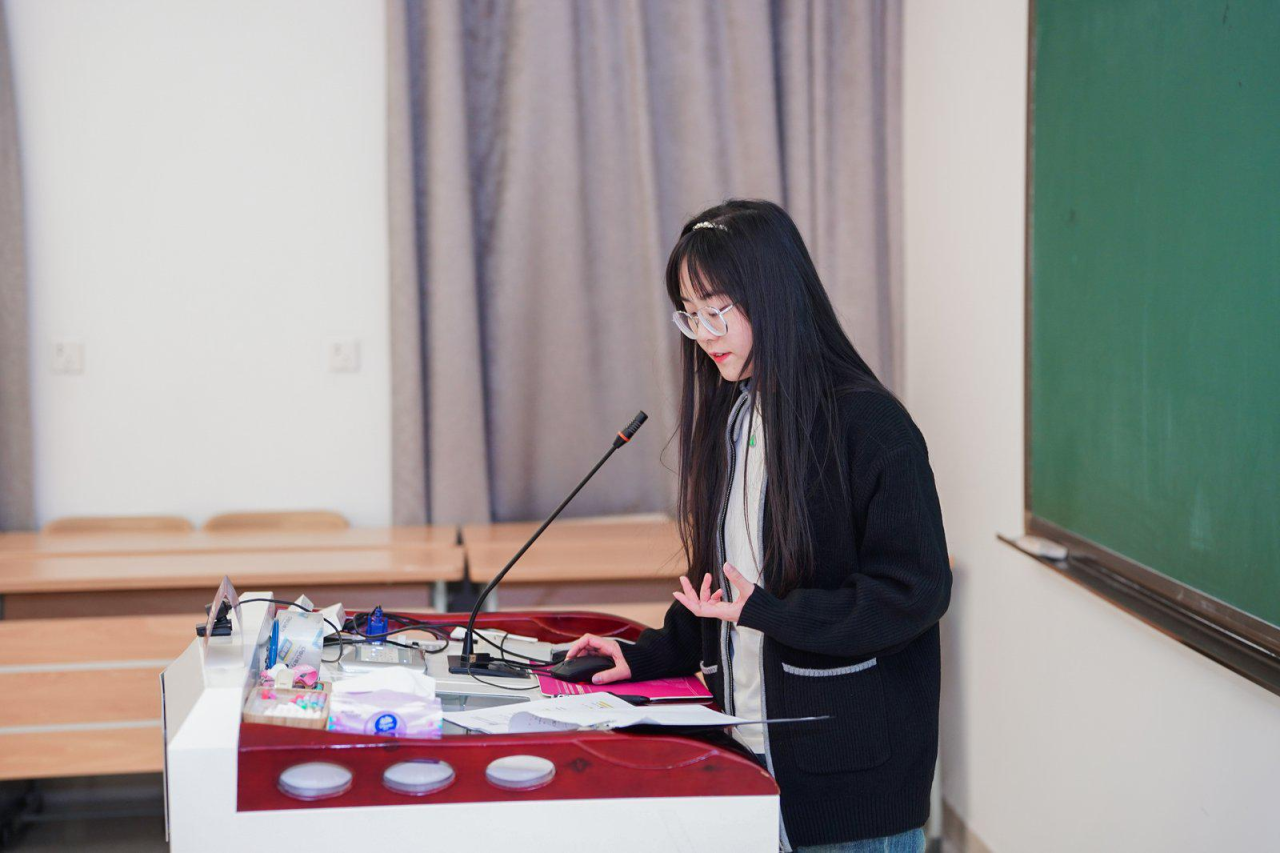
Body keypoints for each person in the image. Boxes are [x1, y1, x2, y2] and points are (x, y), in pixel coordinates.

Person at [565, 200, 952, 852]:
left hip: (851, 780)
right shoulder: (737, 416)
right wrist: (645, 654)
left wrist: (771, 612)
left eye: (718, 309)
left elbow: (913, 593)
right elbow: (729, 585)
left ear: (773, 296)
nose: (704, 332)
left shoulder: (872, 426)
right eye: (690, 313)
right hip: (749, 748)